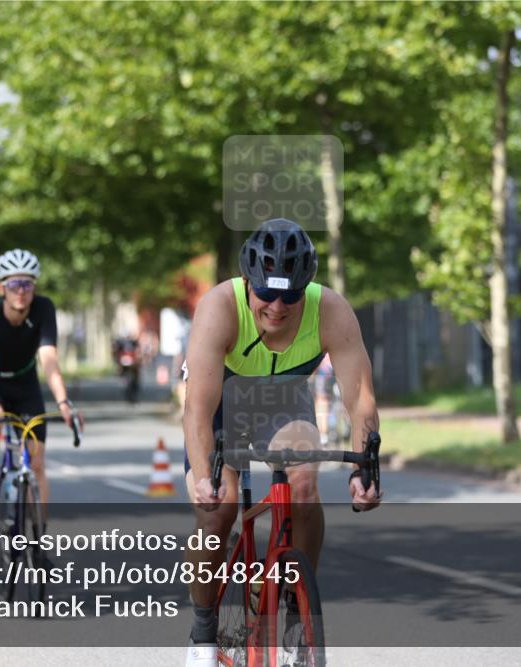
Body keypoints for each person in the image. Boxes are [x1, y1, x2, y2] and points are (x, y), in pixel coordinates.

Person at [182, 219, 382, 666]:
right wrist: (202, 476)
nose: (277, 306)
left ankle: (295, 604)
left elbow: (359, 397)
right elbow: (197, 408)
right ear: (248, 283)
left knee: (305, 483)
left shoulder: (330, 309)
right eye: (266, 293)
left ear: (305, 289)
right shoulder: (220, 306)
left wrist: (364, 468)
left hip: (283, 402)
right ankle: (203, 629)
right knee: (218, 510)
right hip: (220, 406)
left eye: (290, 295)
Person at [0, 249, 83, 530]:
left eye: (27, 284)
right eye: (14, 285)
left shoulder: (44, 308)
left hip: (25, 383)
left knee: (37, 462)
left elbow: (49, 360)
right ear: (1, 288)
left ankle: (39, 540)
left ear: (34, 287)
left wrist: (65, 404)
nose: (21, 291)